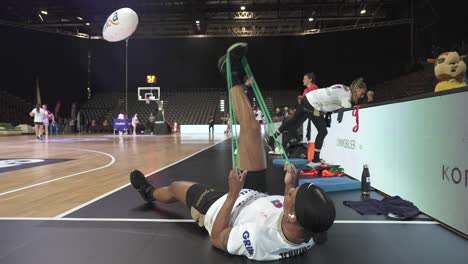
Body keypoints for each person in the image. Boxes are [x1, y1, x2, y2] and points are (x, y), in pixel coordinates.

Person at [130, 74, 336, 260]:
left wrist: (232, 195)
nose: (289, 192)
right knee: (252, 130)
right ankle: (235, 80)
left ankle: (149, 192)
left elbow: (218, 237)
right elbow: (289, 217)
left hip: (218, 207)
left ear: (292, 214)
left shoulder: (258, 240)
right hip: (255, 197)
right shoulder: (308, 229)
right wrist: (290, 184)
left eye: (292, 194)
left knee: (176, 187)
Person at [268, 78, 368, 163]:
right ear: (357, 89)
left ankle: (273, 138)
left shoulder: (343, 87)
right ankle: (315, 159)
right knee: (323, 131)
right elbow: (347, 111)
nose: (362, 96)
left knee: (294, 121)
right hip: (313, 105)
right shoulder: (347, 95)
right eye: (362, 93)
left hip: (307, 99)